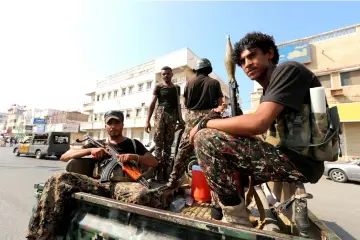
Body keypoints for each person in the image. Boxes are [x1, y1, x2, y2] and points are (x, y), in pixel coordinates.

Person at [189, 32, 326, 227]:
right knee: (222, 150)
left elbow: (258, 123)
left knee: (205, 138)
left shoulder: (288, 71)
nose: (247, 64)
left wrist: (204, 124)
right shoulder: (269, 91)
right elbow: (257, 131)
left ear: (269, 53)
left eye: (252, 56)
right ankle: (226, 206)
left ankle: (238, 221)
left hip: (299, 162)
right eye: (243, 61)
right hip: (287, 156)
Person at [27, 110, 164, 240]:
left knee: (144, 194)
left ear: (122, 125)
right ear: (105, 126)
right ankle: (41, 233)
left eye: (116, 123)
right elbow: (65, 156)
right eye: (110, 123)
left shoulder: (134, 144)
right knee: (58, 178)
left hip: (124, 185)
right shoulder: (98, 144)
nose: (113, 127)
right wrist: (90, 151)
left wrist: (134, 157)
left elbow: (154, 162)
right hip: (98, 184)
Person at [167, 58, 225, 188]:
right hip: (209, 118)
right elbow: (220, 104)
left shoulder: (189, 83)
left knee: (183, 150)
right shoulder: (214, 83)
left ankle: (173, 179)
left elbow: (186, 103)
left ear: (197, 69)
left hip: (191, 117)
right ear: (208, 69)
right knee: (212, 149)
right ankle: (216, 187)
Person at [145, 66, 184, 182]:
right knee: (158, 145)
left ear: (172, 74)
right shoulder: (159, 87)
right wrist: (147, 120)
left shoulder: (176, 88)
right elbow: (152, 104)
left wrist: (180, 119)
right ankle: (158, 172)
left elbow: (178, 104)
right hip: (160, 115)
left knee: (168, 146)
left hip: (172, 117)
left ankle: (165, 172)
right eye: (164, 74)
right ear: (162, 75)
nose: (166, 76)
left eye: (168, 74)